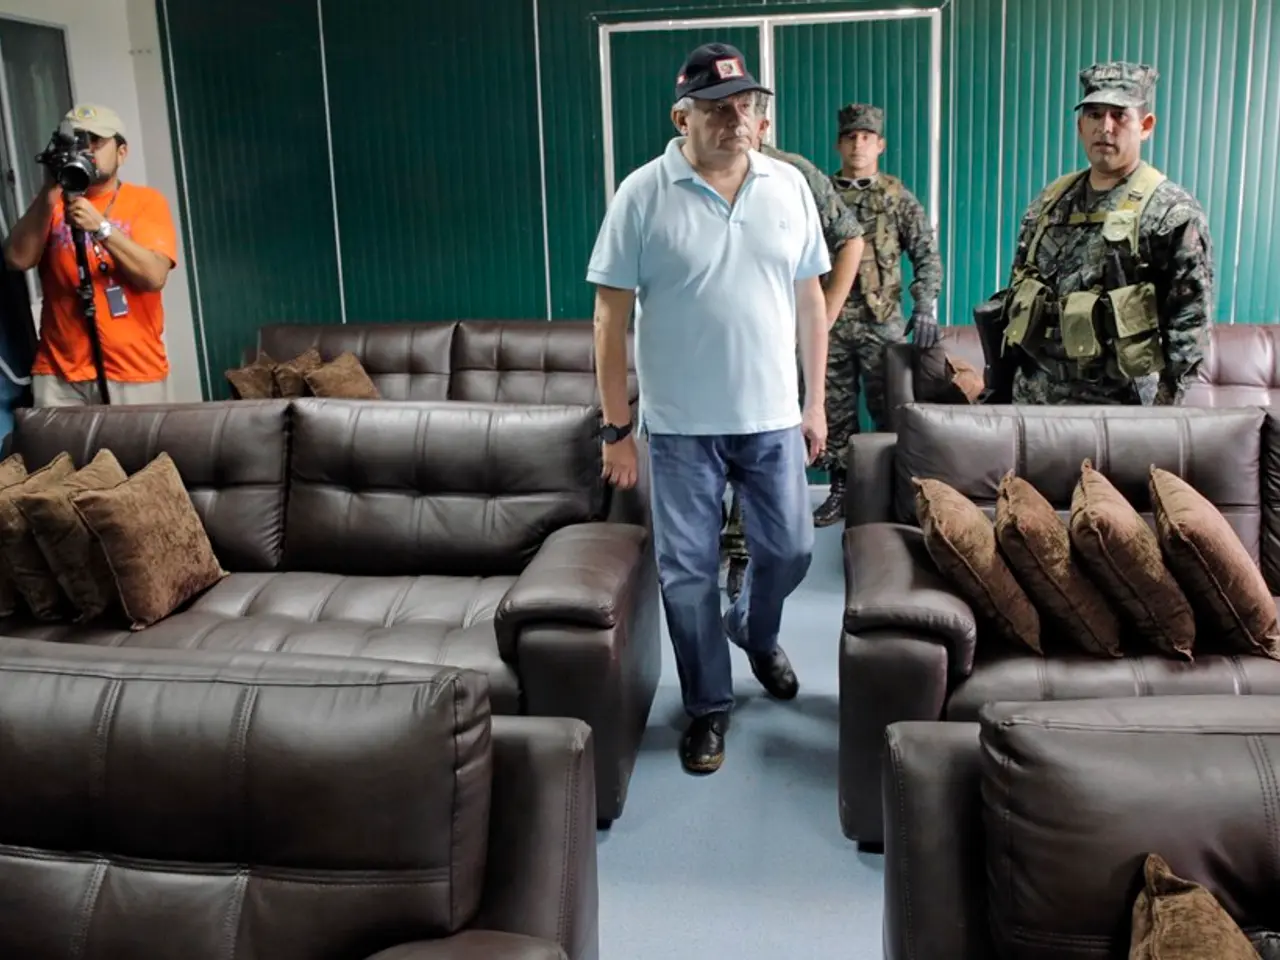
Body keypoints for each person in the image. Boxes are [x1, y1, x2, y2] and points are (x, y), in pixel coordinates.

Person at [588, 42, 829, 775]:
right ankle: (708, 707)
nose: (736, 119)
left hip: (771, 418)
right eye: (718, 108)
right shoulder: (642, 194)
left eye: (746, 105)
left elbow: (811, 301)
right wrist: (616, 429)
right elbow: (608, 318)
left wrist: (815, 402)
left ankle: (752, 629)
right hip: (680, 428)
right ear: (681, 117)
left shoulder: (788, 187)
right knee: (687, 575)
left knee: (791, 551)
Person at [977, 62, 1212, 406]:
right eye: (1095, 115)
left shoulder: (1171, 212)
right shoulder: (1049, 202)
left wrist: (1162, 414)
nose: (1105, 127)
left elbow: (1189, 324)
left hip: (1118, 408)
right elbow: (1018, 288)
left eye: (1120, 115)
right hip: (1033, 399)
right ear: (1080, 126)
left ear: (1146, 126)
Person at [719, 119, 867, 601]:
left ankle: (745, 554)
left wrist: (825, 313)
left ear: (761, 125)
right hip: (713, 341)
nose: (731, 125)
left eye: (742, 113)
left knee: (757, 441)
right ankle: (723, 543)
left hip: (775, 341)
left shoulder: (792, 174)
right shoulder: (690, 172)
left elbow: (851, 239)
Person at [817, 103, 942, 526]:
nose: (858, 145)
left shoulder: (896, 197)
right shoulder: (819, 196)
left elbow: (926, 254)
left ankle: (892, 492)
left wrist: (924, 305)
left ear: (880, 145)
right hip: (830, 321)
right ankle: (841, 489)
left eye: (866, 137)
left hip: (881, 321)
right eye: (850, 137)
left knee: (890, 409)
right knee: (833, 409)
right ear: (839, 145)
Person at [3, 104, 178, 407]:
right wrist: (49, 190)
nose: (86, 149)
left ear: (122, 152)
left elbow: (153, 277)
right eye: (77, 141)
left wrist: (102, 228)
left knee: (139, 442)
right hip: (59, 375)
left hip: (134, 370)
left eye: (96, 140)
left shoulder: (146, 202)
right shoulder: (49, 205)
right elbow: (17, 259)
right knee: (54, 442)